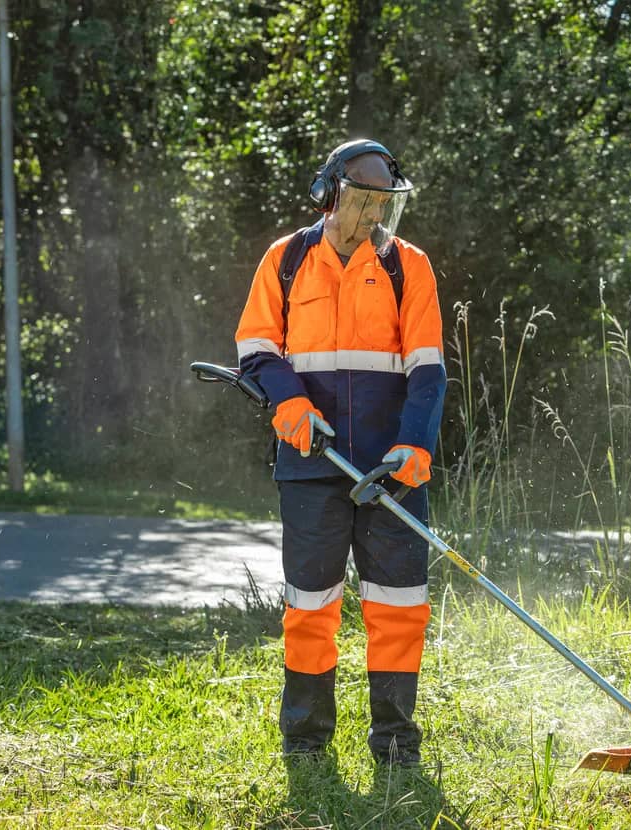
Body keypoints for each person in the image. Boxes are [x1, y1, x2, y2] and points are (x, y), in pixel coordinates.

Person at [234, 139, 446, 766]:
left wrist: (415, 445)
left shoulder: (409, 266)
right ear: (331, 196)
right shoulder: (286, 260)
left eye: (382, 205)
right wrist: (288, 402)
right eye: (360, 201)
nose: (371, 216)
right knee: (310, 604)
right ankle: (304, 741)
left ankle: (395, 740)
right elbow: (256, 344)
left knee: (399, 604)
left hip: (391, 468)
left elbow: (428, 368)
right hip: (311, 464)